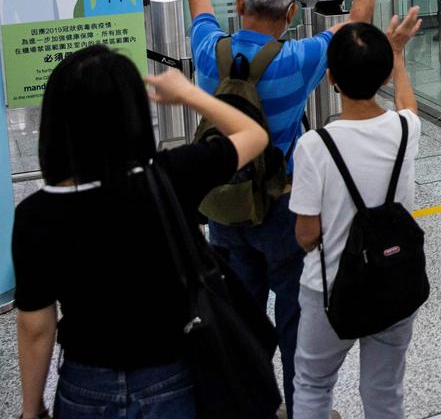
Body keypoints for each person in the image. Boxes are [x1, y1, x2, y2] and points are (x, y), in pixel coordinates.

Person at [152, 0, 405, 418]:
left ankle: (247, 400)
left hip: (223, 207)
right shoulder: (297, 62)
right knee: (293, 314)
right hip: (282, 208)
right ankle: (300, 403)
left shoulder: (209, 52)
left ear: (239, 4)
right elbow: (354, 29)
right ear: (291, 15)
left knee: (240, 313)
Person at [13, 48, 269, 419]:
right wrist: (188, 93)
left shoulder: (35, 215)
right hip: (171, 375)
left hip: (86, 383)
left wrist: (30, 407)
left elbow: (36, 326)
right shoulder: (171, 175)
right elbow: (253, 135)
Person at [290, 11, 423, 419]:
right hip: (395, 280)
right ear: (383, 78)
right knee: (384, 391)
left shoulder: (315, 145)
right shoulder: (406, 130)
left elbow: (306, 235)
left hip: (330, 290)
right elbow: (407, 104)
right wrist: (397, 54)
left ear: (331, 78)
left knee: (313, 383)